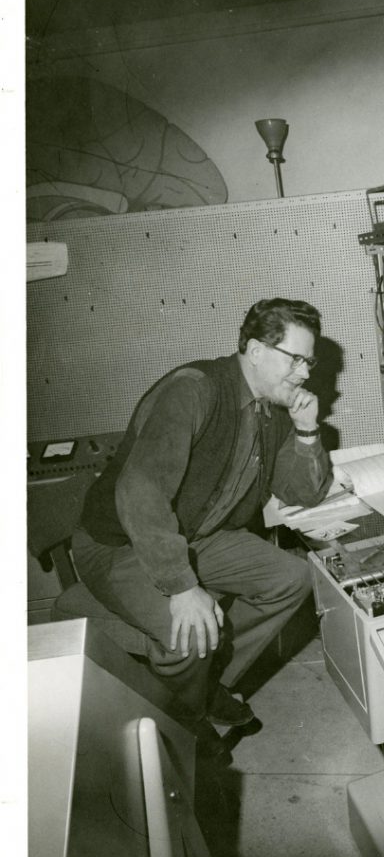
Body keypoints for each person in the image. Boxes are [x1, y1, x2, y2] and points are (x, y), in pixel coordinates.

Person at [72, 297, 332, 753]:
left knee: (294, 579)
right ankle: (178, 720)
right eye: (296, 359)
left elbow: (302, 492)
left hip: (197, 534)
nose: (306, 374)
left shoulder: (271, 407)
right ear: (254, 349)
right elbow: (141, 493)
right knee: (187, 638)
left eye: (309, 362)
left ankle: (205, 686)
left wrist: (308, 431)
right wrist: (180, 586)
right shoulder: (193, 389)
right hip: (121, 541)